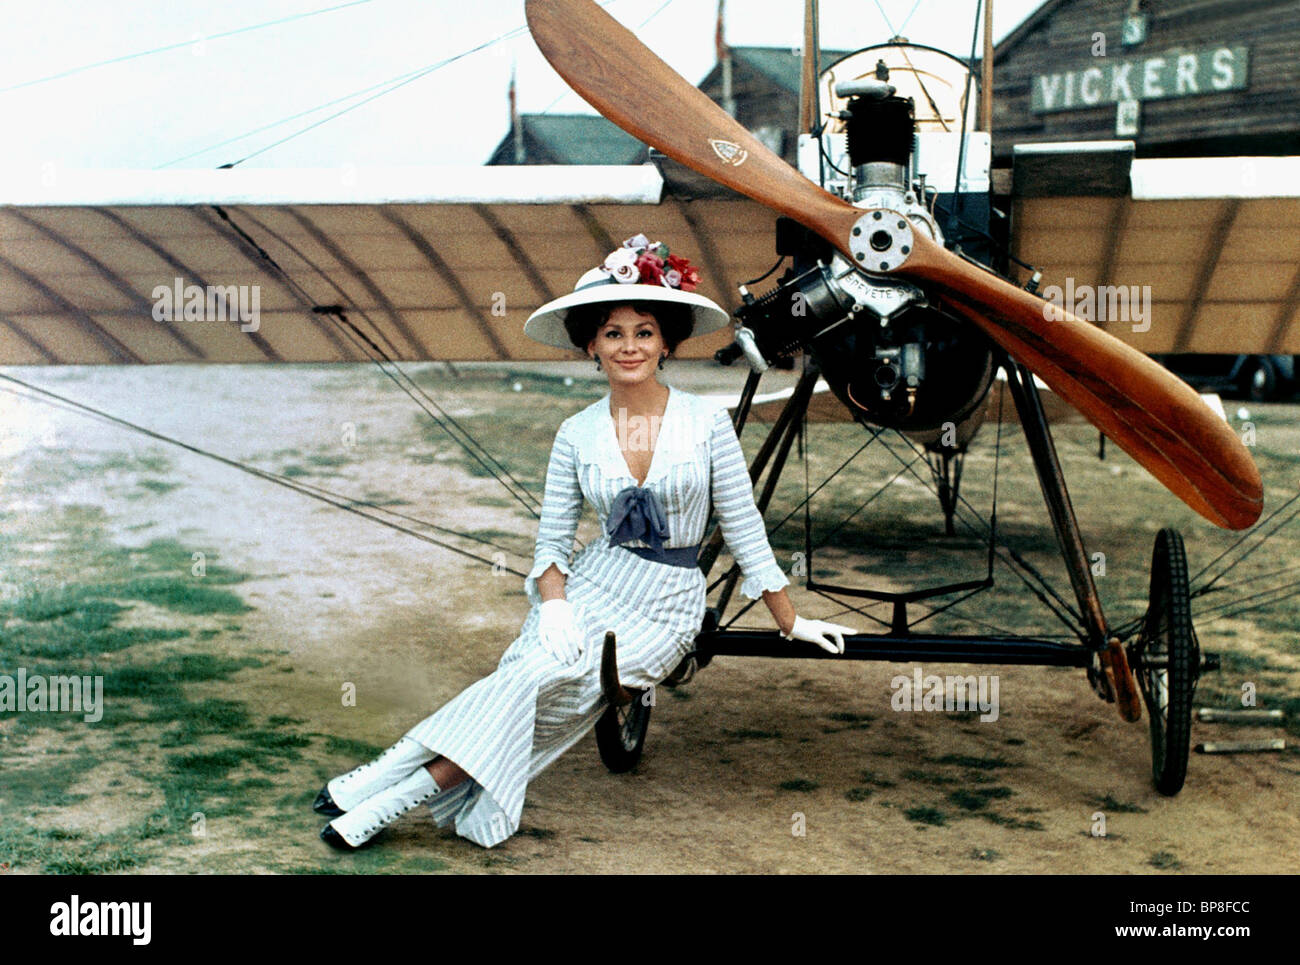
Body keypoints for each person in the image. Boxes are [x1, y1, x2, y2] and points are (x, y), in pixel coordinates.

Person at [314, 234, 857, 850]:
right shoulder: (576, 433)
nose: (630, 347)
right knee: (523, 679)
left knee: (535, 689)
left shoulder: (706, 422)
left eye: (644, 331)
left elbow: (743, 528)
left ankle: (381, 790)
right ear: (591, 345)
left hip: (666, 603)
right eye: (613, 333)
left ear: (667, 343)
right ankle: (379, 792)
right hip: (595, 583)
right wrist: (555, 607)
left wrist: (791, 621)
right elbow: (551, 543)